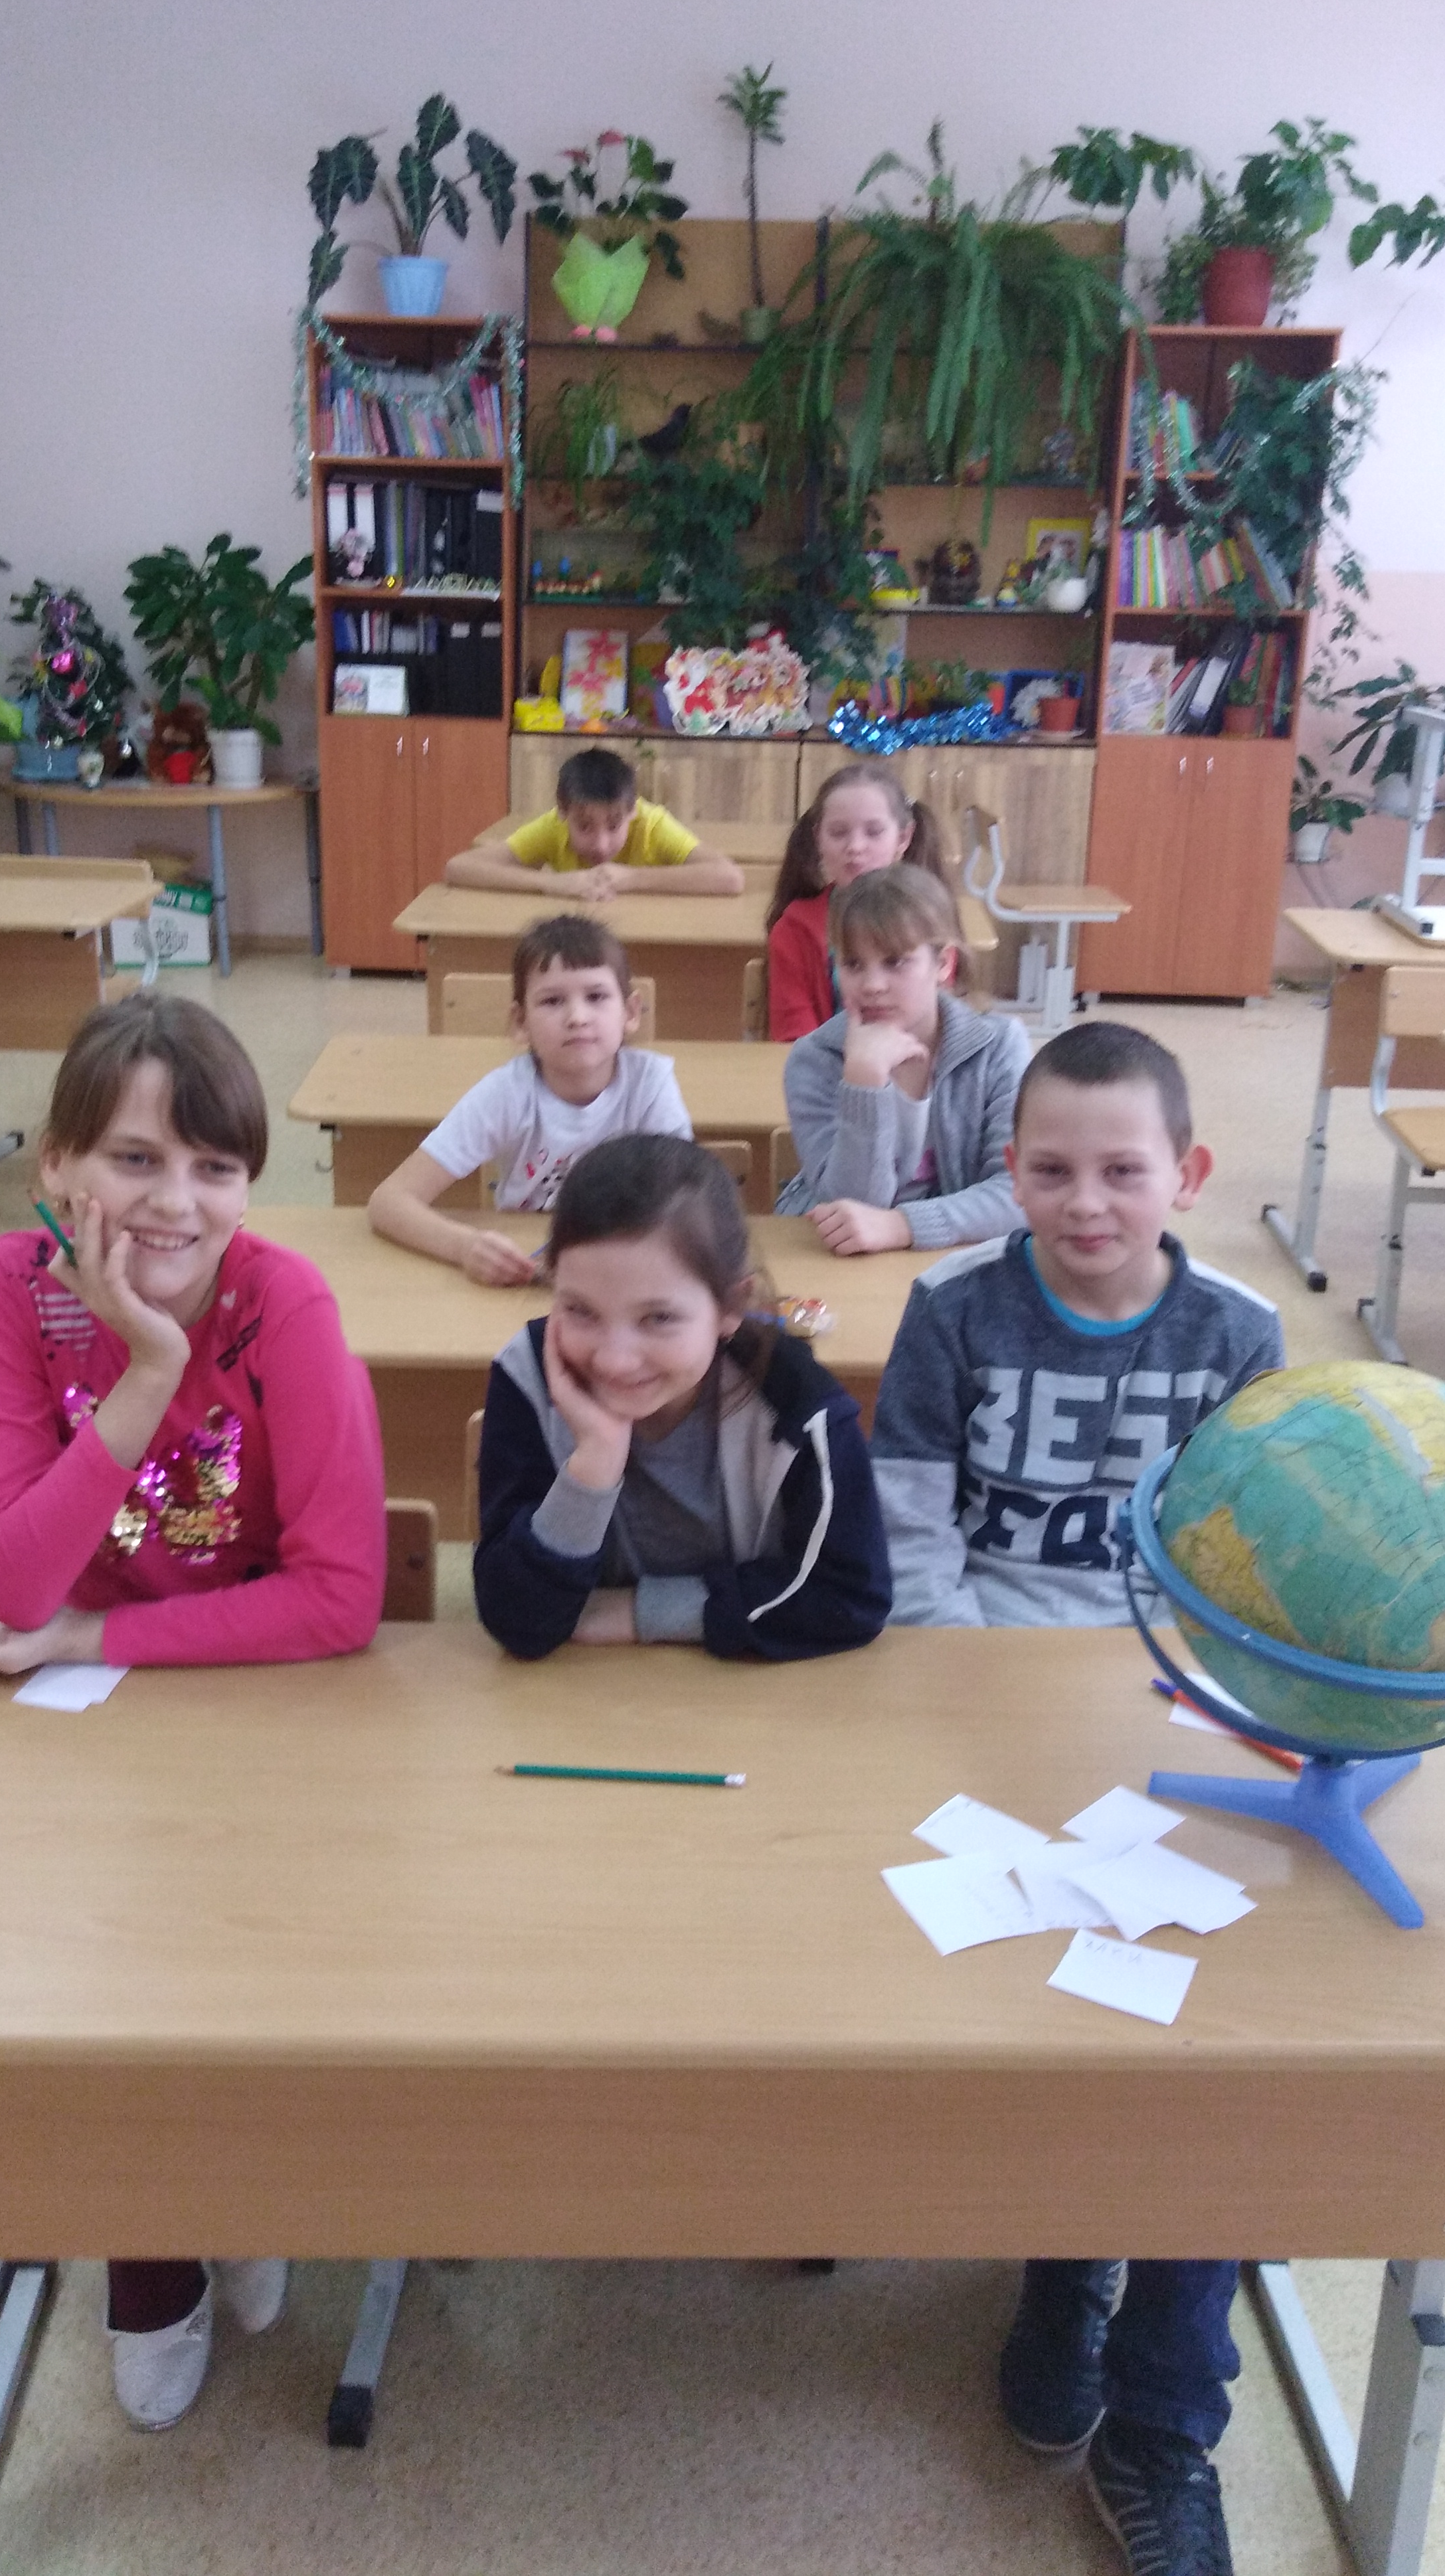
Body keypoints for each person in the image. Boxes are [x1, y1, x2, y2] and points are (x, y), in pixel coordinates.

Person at [0, 991, 387, 2435]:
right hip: (82, 1719)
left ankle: (244, 2189)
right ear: (56, 1165)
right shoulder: (13, 1288)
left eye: (214, 1167)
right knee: (96, 1964)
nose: (176, 1203)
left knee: (248, 1959)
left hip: (251, 1696)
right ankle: (152, 2238)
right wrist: (151, 1372)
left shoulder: (286, 1304)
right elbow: (9, 1577)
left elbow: (340, 1600)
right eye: (133, 1160)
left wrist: (87, 1631)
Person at [871, 1018, 1286, 2576]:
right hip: (972, 1691)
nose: (1086, 1200)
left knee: (1215, 2034)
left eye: (1122, 1169)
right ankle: (1063, 2257)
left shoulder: (1239, 1332)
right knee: (1033, 1979)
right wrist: (980, 1696)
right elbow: (913, 1529)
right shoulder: (951, 1311)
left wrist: (1186, 1704)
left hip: (1170, 1703)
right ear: (1008, 1168)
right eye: (1049, 1168)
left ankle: (1164, 2419)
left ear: (1186, 1173)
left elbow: (1258, 1557)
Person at [473, 1133, 890, 1663]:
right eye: (580, 1311)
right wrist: (594, 1465)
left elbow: (851, 1598)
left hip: (752, 1694)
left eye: (659, 1318)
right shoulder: (528, 1379)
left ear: (730, 1307)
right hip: (583, 1692)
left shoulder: (799, 1408)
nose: (615, 1360)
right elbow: (516, 1620)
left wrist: (645, 1612)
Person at [367, 914, 691, 1284]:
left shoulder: (650, 1085)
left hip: (624, 1272)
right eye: (552, 1001)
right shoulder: (507, 1093)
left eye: (596, 997)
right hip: (524, 1272)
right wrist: (464, 1247)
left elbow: (683, 1201)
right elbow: (388, 1202)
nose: (578, 1017)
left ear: (630, 1013)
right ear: (521, 1023)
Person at [776, 862, 1030, 1258]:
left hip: (955, 1253)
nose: (872, 985)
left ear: (943, 964)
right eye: (853, 964)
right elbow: (853, 1207)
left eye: (895, 962)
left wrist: (903, 1225)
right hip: (840, 1260)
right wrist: (863, 1082)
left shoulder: (998, 1047)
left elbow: (1019, 1192)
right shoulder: (814, 1060)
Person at [765, 763, 948, 1040]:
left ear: (903, 838)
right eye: (839, 833)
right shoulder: (794, 930)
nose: (855, 847)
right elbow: (795, 1040)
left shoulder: (929, 923)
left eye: (874, 832)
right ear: (818, 839)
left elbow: (938, 1031)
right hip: (824, 1065)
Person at [443, 744, 745, 898]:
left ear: (632, 812)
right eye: (585, 826)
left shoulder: (652, 824)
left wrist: (632, 879)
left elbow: (730, 878)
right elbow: (458, 868)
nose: (601, 845)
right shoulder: (553, 826)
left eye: (614, 826)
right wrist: (550, 883)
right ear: (563, 812)